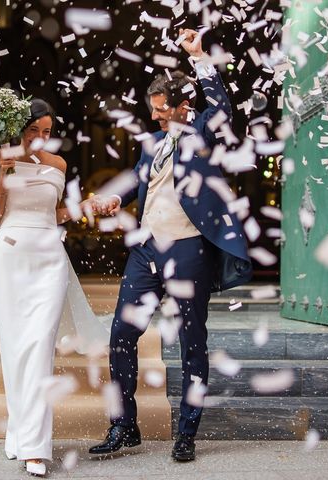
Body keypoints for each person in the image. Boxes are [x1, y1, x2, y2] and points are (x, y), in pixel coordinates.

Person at [88, 29, 253, 461]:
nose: (158, 117)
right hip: (147, 251)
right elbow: (138, 181)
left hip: (187, 250)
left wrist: (198, 56)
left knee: (191, 342)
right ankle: (124, 424)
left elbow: (222, 106)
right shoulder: (154, 145)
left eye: (163, 110)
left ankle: (187, 434)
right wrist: (113, 199)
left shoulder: (202, 129)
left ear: (184, 105)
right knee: (122, 334)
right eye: (154, 111)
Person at [0, 98, 108, 477]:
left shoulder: (58, 165)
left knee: (39, 348)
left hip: (50, 260)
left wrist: (87, 206)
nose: (40, 138)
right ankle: (20, 432)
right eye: (34, 130)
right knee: (17, 351)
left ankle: (35, 449)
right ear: (19, 129)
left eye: (47, 132)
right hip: (11, 256)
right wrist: (5, 172)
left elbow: (54, 213)